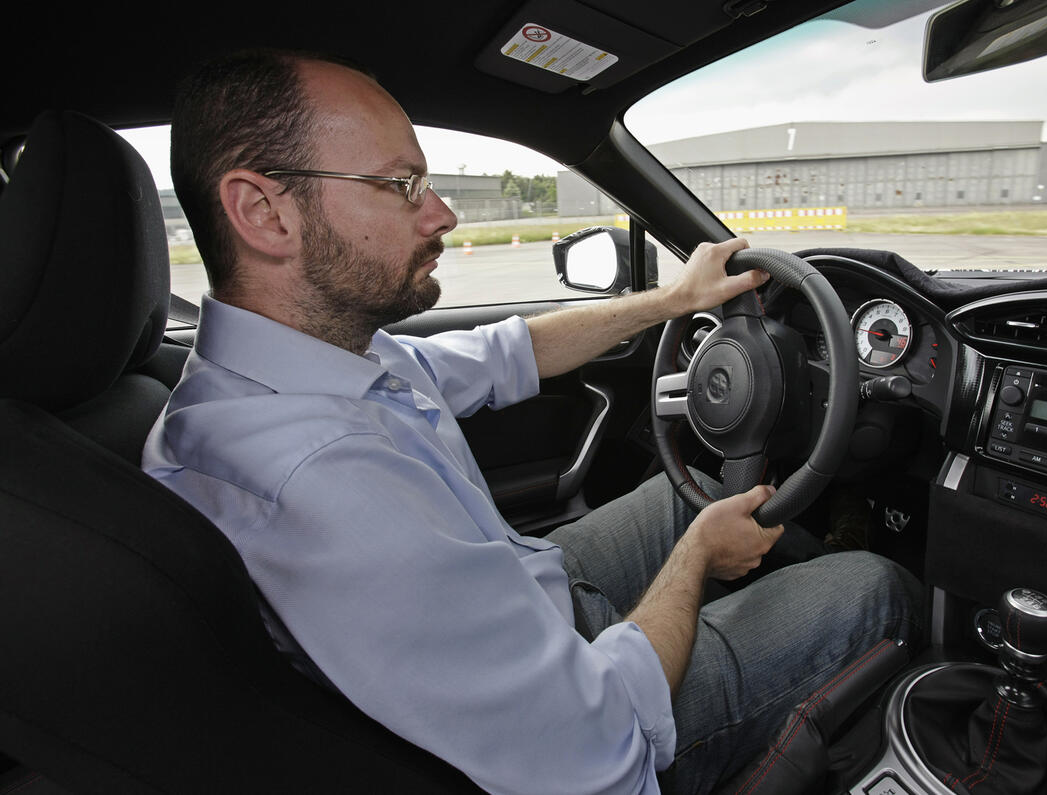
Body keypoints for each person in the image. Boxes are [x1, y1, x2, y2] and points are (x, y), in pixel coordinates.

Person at [144, 49, 921, 794]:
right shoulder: (317, 482)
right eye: (402, 184)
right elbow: (597, 751)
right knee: (872, 583)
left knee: (694, 493)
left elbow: (508, 352)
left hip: (519, 603)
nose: (441, 213)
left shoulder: (299, 369)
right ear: (263, 212)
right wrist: (694, 561)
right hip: (591, 727)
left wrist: (672, 300)